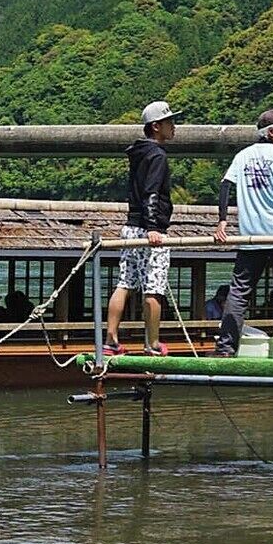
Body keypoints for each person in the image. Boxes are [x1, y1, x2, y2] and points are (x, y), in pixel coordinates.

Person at [217, 108, 273, 355]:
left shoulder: (242, 156)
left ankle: (225, 348)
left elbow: (225, 186)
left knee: (239, 293)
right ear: (271, 132)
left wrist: (222, 220)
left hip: (250, 237)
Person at [105, 101, 182, 356]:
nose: (174, 126)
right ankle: (152, 343)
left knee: (124, 282)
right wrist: (153, 227)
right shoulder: (158, 154)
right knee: (154, 287)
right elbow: (151, 192)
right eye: (169, 122)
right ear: (156, 126)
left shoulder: (138, 152)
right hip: (151, 229)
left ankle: (111, 339)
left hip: (131, 226)